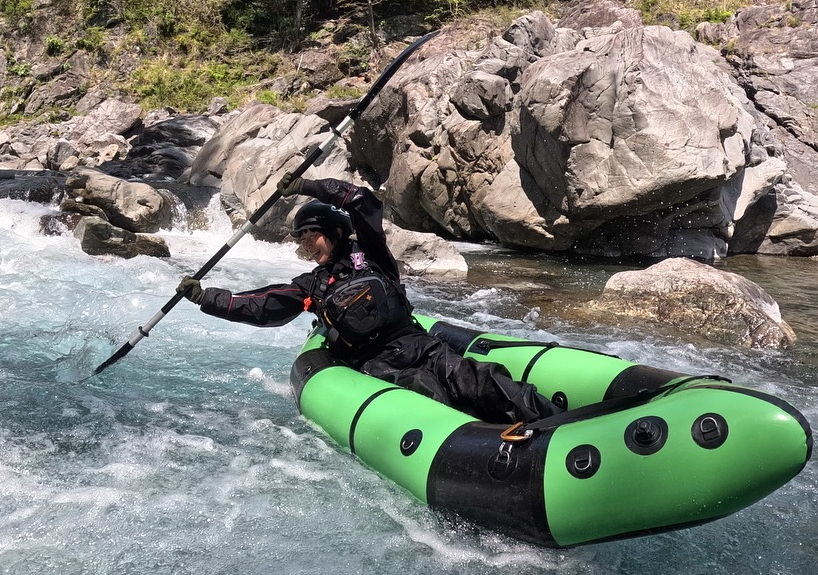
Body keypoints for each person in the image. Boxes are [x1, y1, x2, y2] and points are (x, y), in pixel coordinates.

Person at [175, 176, 558, 426]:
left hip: (419, 343)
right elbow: (260, 305)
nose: (307, 246)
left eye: (312, 237)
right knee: (425, 390)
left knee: (477, 377)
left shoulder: (371, 255)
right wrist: (206, 297)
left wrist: (310, 187)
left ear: (335, 232)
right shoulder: (311, 285)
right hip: (374, 364)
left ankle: (558, 422)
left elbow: (363, 202)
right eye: (302, 241)